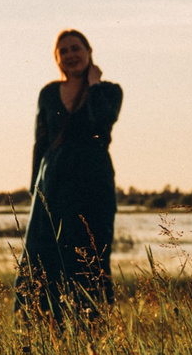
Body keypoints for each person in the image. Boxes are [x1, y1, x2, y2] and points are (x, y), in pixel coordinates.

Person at [17, 29, 123, 321]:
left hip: (93, 182)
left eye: (76, 48)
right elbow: (40, 142)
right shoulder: (48, 94)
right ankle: (44, 323)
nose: (70, 55)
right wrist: (35, 189)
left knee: (91, 254)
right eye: (62, 51)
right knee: (44, 253)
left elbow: (100, 120)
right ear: (56, 59)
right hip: (53, 182)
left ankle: (91, 324)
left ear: (89, 52)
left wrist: (94, 83)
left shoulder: (109, 91)